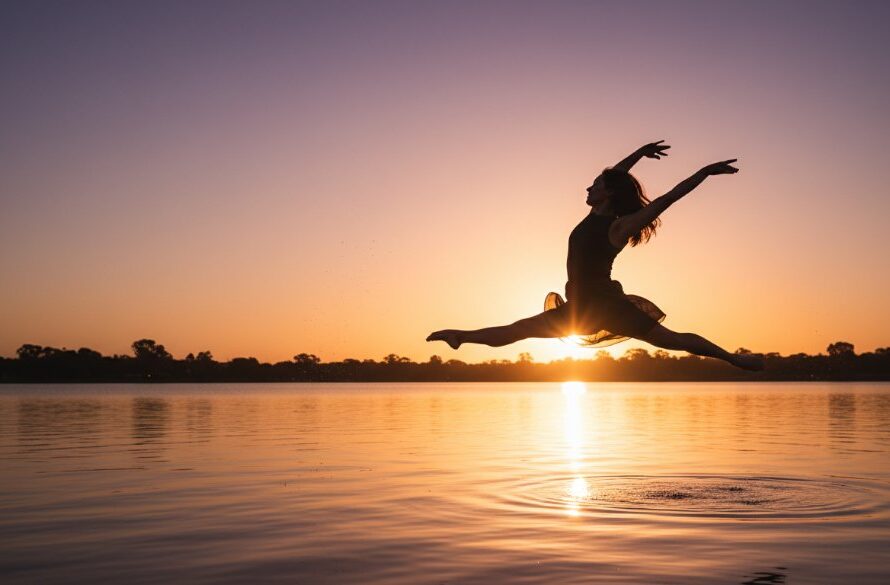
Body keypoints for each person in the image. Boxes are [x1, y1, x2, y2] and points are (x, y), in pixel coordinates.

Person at [426, 141, 765, 371]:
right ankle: (460, 336)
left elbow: (668, 198)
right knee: (520, 329)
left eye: (594, 186)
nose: (587, 189)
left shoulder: (618, 227)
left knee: (674, 341)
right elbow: (615, 175)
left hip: (603, 306)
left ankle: (733, 360)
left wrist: (703, 173)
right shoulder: (595, 215)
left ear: (608, 194)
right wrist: (638, 153)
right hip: (582, 306)